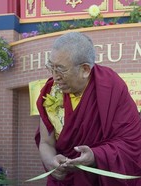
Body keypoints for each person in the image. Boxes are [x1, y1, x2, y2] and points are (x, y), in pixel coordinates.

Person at [35, 32, 141, 186]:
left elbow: (132, 143)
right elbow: (46, 142)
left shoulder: (111, 87)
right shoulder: (51, 91)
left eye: (60, 69)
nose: (55, 76)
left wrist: (95, 156)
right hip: (65, 181)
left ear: (85, 69)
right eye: (51, 66)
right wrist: (51, 161)